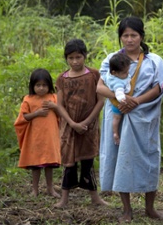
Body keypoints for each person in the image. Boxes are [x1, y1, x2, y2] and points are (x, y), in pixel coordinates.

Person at [96, 16, 163, 223]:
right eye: (125, 35)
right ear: (120, 38)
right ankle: (126, 210)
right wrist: (119, 99)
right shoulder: (112, 58)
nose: (129, 39)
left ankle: (150, 208)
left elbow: (159, 86)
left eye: (133, 35)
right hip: (119, 113)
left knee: (149, 157)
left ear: (141, 37)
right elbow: (99, 87)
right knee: (120, 158)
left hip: (144, 116)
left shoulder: (154, 61)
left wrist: (135, 100)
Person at [54, 38, 108, 208]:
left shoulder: (93, 75)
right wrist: (72, 123)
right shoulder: (62, 79)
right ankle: (64, 199)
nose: (75, 61)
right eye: (71, 58)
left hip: (89, 126)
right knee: (69, 162)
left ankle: (95, 197)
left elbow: (100, 101)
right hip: (69, 127)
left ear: (85, 56)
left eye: (78, 57)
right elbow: (59, 105)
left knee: (88, 161)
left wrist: (87, 121)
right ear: (66, 59)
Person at [14, 68, 61, 198]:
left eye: (44, 85)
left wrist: (54, 107)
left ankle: (50, 189)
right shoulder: (28, 99)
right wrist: (37, 113)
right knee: (35, 165)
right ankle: (35, 190)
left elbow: (61, 115)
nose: (41, 88)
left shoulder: (53, 98)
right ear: (32, 86)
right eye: (38, 85)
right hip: (35, 138)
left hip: (50, 137)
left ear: (49, 86)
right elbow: (23, 117)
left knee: (49, 165)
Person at [104, 53, 132, 145]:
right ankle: (115, 133)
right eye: (125, 72)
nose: (127, 73)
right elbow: (119, 93)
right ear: (114, 73)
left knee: (116, 118)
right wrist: (123, 99)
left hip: (117, 101)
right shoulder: (118, 83)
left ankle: (116, 132)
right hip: (118, 103)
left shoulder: (111, 74)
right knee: (117, 118)